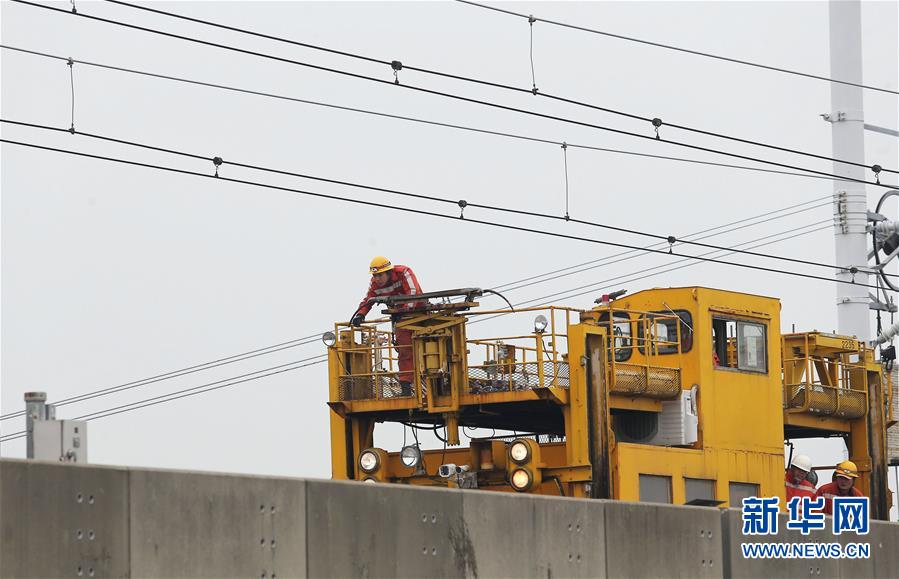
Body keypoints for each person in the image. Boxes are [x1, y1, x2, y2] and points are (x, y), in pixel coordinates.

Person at [353, 256, 423, 396]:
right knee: (404, 350)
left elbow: (414, 293)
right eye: (374, 275)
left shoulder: (404, 272)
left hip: (420, 313)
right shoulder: (374, 284)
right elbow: (368, 300)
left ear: (389, 272)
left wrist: (402, 310)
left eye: (379, 275)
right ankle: (406, 388)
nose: (377, 279)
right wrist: (360, 314)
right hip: (402, 319)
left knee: (432, 344)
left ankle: (439, 379)